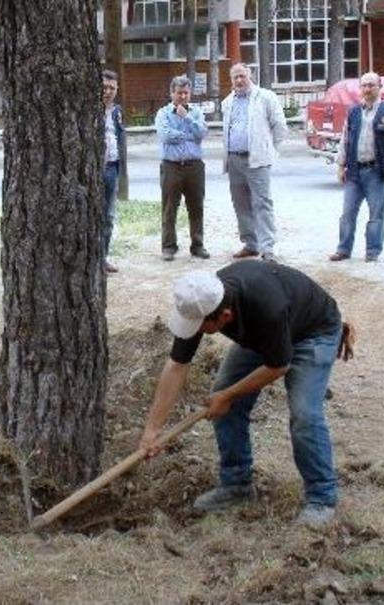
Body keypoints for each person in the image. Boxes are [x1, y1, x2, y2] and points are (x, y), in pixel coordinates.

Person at [139, 262, 351, 529]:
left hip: (313, 333)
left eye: (200, 326)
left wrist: (227, 395)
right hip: (267, 337)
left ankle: (322, 498)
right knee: (224, 400)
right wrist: (152, 429)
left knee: (304, 414)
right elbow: (177, 366)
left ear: (224, 316)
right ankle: (236, 485)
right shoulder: (202, 301)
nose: (194, 331)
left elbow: (278, 365)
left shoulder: (266, 307)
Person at [329, 72, 384, 263]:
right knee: (347, 214)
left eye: (371, 85)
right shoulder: (353, 112)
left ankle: (372, 252)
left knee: (376, 215)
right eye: (364, 85)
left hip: (377, 171)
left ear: (380, 86)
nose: (367, 89)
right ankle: (343, 249)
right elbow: (345, 139)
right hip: (354, 171)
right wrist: (340, 165)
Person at [221, 63, 288, 262]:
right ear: (231, 80)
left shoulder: (266, 97)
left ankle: (267, 249)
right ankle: (251, 244)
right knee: (240, 203)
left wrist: (269, 150)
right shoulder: (227, 102)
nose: (239, 81)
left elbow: (280, 127)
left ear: (250, 76)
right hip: (234, 160)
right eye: (235, 77)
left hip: (257, 160)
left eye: (242, 76)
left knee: (262, 204)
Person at [154, 75, 209, 262]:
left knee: (196, 207)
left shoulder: (196, 112)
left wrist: (187, 119)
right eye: (179, 93)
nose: (183, 97)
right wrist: (189, 134)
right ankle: (169, 247)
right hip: (171, 166)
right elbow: (166, 135)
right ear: (172, 93)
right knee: (170, 208)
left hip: (194, 166)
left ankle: (198, 245)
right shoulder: (163, 113)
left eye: (186, 93)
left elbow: (202, 133)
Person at [102, 69, 126, 274]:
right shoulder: (89, 111)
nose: (108, 91)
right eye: (104, 87)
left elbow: (119, 139)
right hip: (93, 171)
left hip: (111, 167)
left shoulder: (117, 111)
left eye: (112, 88)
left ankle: (103, 257)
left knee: (108, 216)